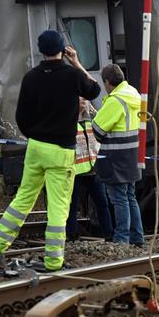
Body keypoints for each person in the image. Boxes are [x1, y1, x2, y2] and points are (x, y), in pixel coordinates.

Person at [0, 30, 101, 273]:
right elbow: (94, 91)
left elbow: (21, 116)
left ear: (40, 50)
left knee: (23, 199)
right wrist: (76, 62)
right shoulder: (72, 75)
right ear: (62, 50)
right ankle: (54, 260)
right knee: (58, 206)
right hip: (61, 150)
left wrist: (35, 135)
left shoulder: (31, 77)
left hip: (35, 148)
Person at [92, 64, 144, 246]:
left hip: (116, 157)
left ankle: (121, 239)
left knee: (119, 198)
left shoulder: (115, 100)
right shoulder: (133, 94)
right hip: (133, 155)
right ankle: (137, 237)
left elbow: (98, 129)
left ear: (107, 82)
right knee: (130, 196)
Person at [67, 97, 113, 241]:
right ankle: (71, 235)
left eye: (85, 100)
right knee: (72, 206)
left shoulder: (91, 118)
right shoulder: (67, 120)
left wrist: (93, 111)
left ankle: (109, 234)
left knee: (102, 203)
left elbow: (102, 123)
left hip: (93, 170)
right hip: (76, 171)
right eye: (80, 99)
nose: (83, 101)